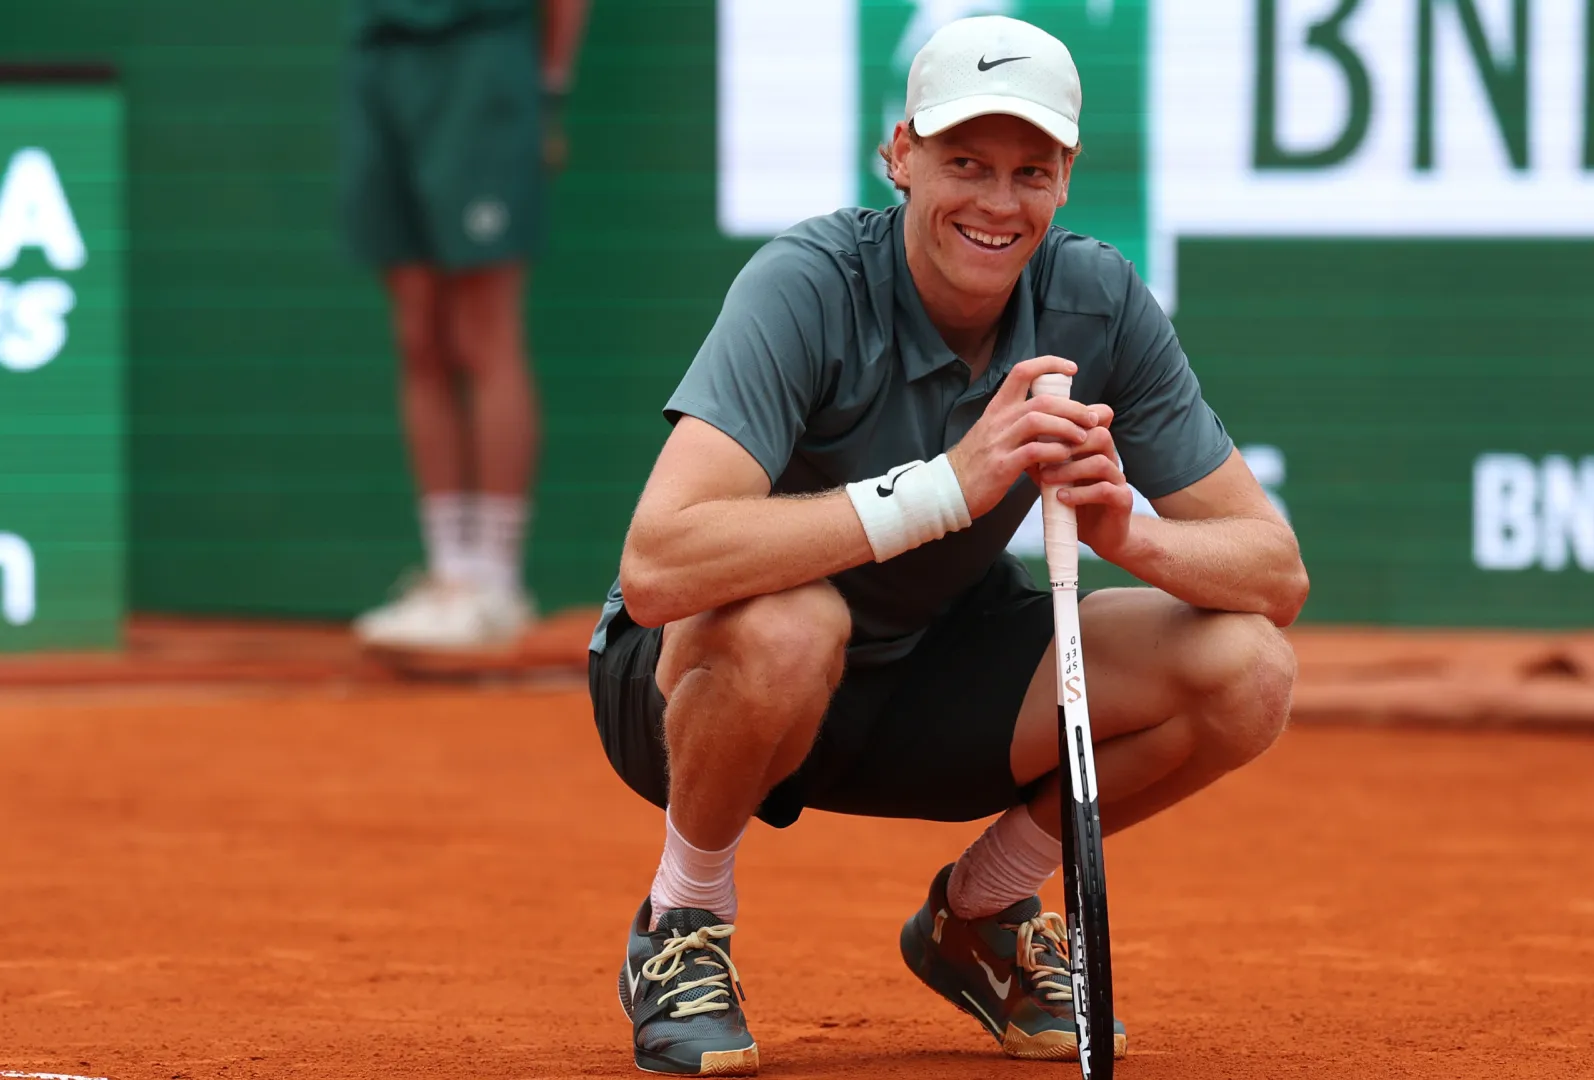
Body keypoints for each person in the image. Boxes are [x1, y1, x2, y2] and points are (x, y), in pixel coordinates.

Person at [586, 15, 1308, 1077]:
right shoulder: (809, 283)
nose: (996, 201)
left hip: (927, 676)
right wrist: (945, 489)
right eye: (964, 162)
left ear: (1065, 178)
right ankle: (683, 921)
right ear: (901, 156)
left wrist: (1122, 530)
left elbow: (1273, 572)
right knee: (792, 621)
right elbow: (658, 568)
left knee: (1247, 673)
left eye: (1030, 170)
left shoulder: (1096, 298)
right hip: (701, 687)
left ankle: (981, 914)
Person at [341, 0, 590, 650]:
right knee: (417, 331)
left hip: (483, 59)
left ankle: (496, 584)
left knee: (483, 329)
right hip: (380, 56)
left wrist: (548, 86)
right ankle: (451, 576)